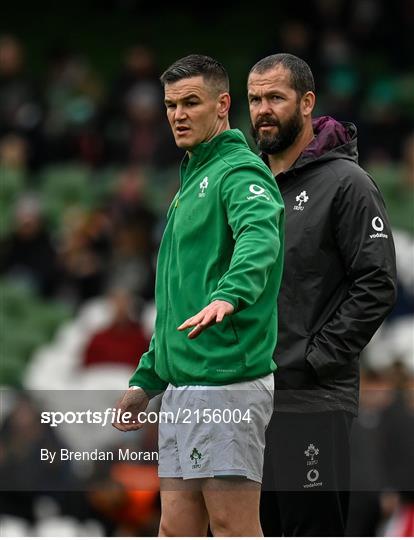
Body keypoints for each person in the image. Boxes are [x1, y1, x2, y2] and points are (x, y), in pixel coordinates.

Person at [113, 54, 284, 537]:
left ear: (223, 105)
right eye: (171, 105)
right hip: (186, 383)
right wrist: (147, 379)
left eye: (191, 102)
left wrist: (231, 293)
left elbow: (260, 237)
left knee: (232, 527)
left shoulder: (238, 172)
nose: (178, 115)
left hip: (226, 380)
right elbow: (177, 301)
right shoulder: (192, 180)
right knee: (175, 529)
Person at [247, 53, 398, 536]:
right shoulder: (247, 185)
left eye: (275, 97)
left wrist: (315, 358)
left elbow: (376, 283)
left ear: (307, 102)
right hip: (246, 399)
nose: (263, 109)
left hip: (311, 403)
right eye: (254, 99)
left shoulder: (347, 183)